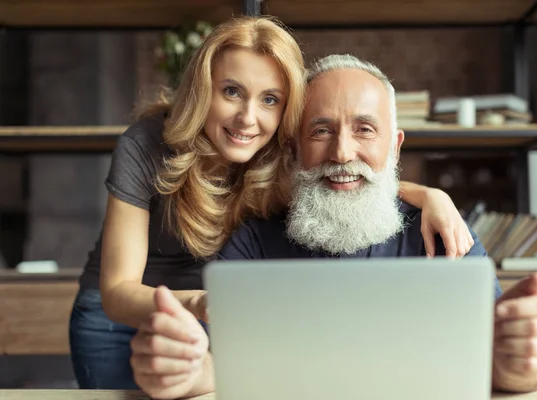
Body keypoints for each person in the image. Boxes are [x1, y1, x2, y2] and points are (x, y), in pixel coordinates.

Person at [69, 18, 475, 390]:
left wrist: (430, 195)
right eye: (232, 92)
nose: (248, 117)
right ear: (202, 88)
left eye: (269, 100)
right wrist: (197, 304)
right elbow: (117, 290)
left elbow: (353, 172)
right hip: (120, 320)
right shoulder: (145, 146)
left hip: (213, 317)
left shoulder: (282, 150)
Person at [129, 55, 537, 399]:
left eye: (364, 129)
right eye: (321, 131)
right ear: (294, 148)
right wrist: (179, 372)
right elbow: (213, 364)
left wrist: (523, 363)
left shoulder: (442, 234)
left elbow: (504, 364)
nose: (341, 152)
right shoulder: (253, 244)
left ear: (394, 147)